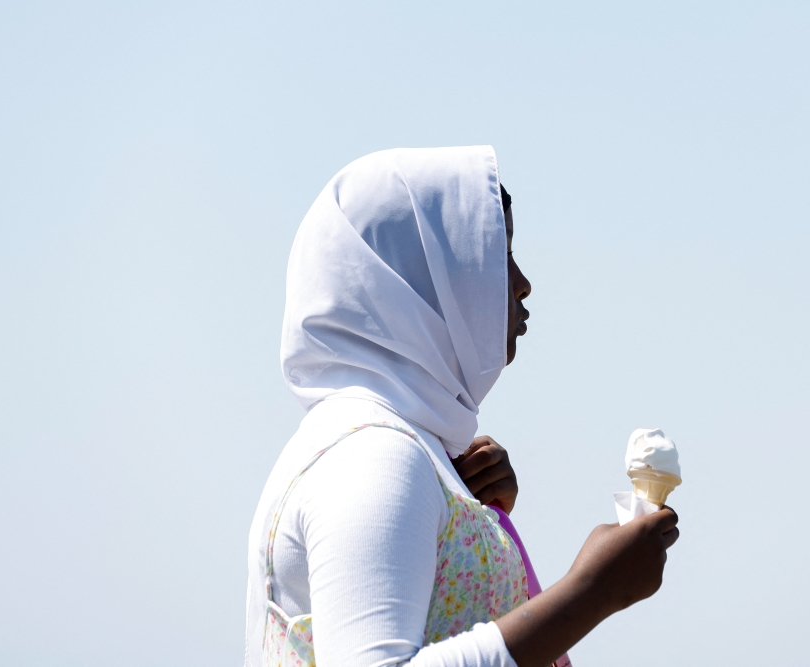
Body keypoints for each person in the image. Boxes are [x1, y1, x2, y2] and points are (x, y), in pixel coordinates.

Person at [244, 146, 680, 667]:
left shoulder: (392, 448)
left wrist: (468, 517)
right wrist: (590, 593)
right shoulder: (373, 455)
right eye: (498, 256)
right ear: (417, 277)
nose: (522, 283)